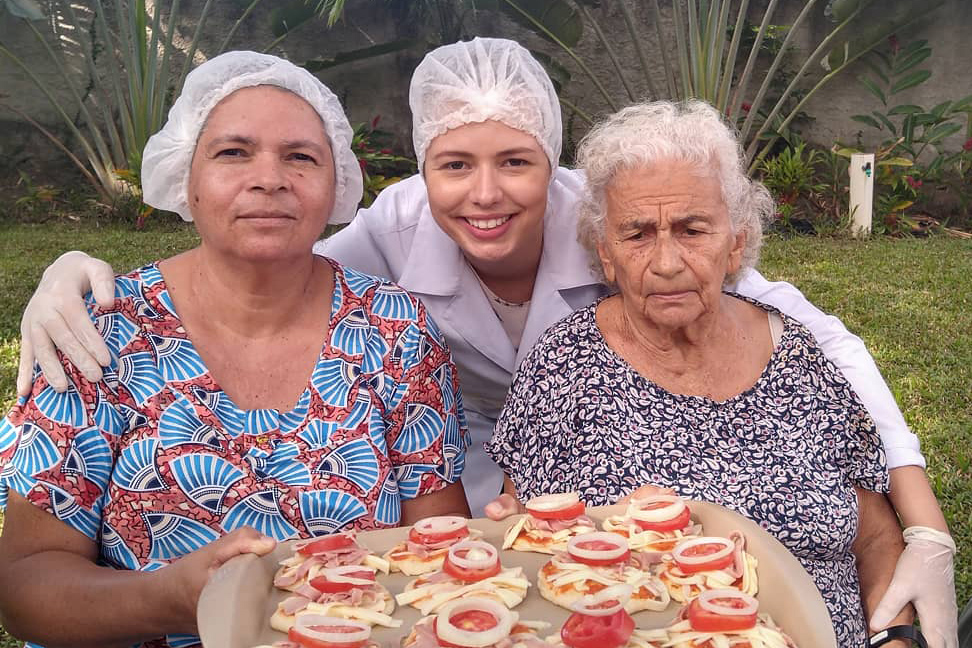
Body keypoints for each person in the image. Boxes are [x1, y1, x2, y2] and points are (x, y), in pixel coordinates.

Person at [12, 38, 957, 646]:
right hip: (479, 477)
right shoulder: (368, 248)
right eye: (454, 164)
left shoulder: (619, 219)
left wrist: (922, 523)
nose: (487, 192)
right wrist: (74, 272)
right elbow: (276, 254)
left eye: (519, 162)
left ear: (558, 169)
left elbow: (815, 334)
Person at [0, 51, 468, 648]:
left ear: (337, 186)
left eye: (301, 157)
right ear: (184, 179)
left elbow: (439, 544)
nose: (270, 177)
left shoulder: (394, 328)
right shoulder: (98, 331)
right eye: (233, 152)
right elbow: (25, 583)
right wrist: (167, 599)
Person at [483, 100, 913, 646]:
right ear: (606, 253)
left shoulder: (799, 356)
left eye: (692, 230)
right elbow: (531, 547)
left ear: (736, 241)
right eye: (637, 234)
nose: (666, 262)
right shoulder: (561, 367)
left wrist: (896, 636)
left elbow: (874, 538)